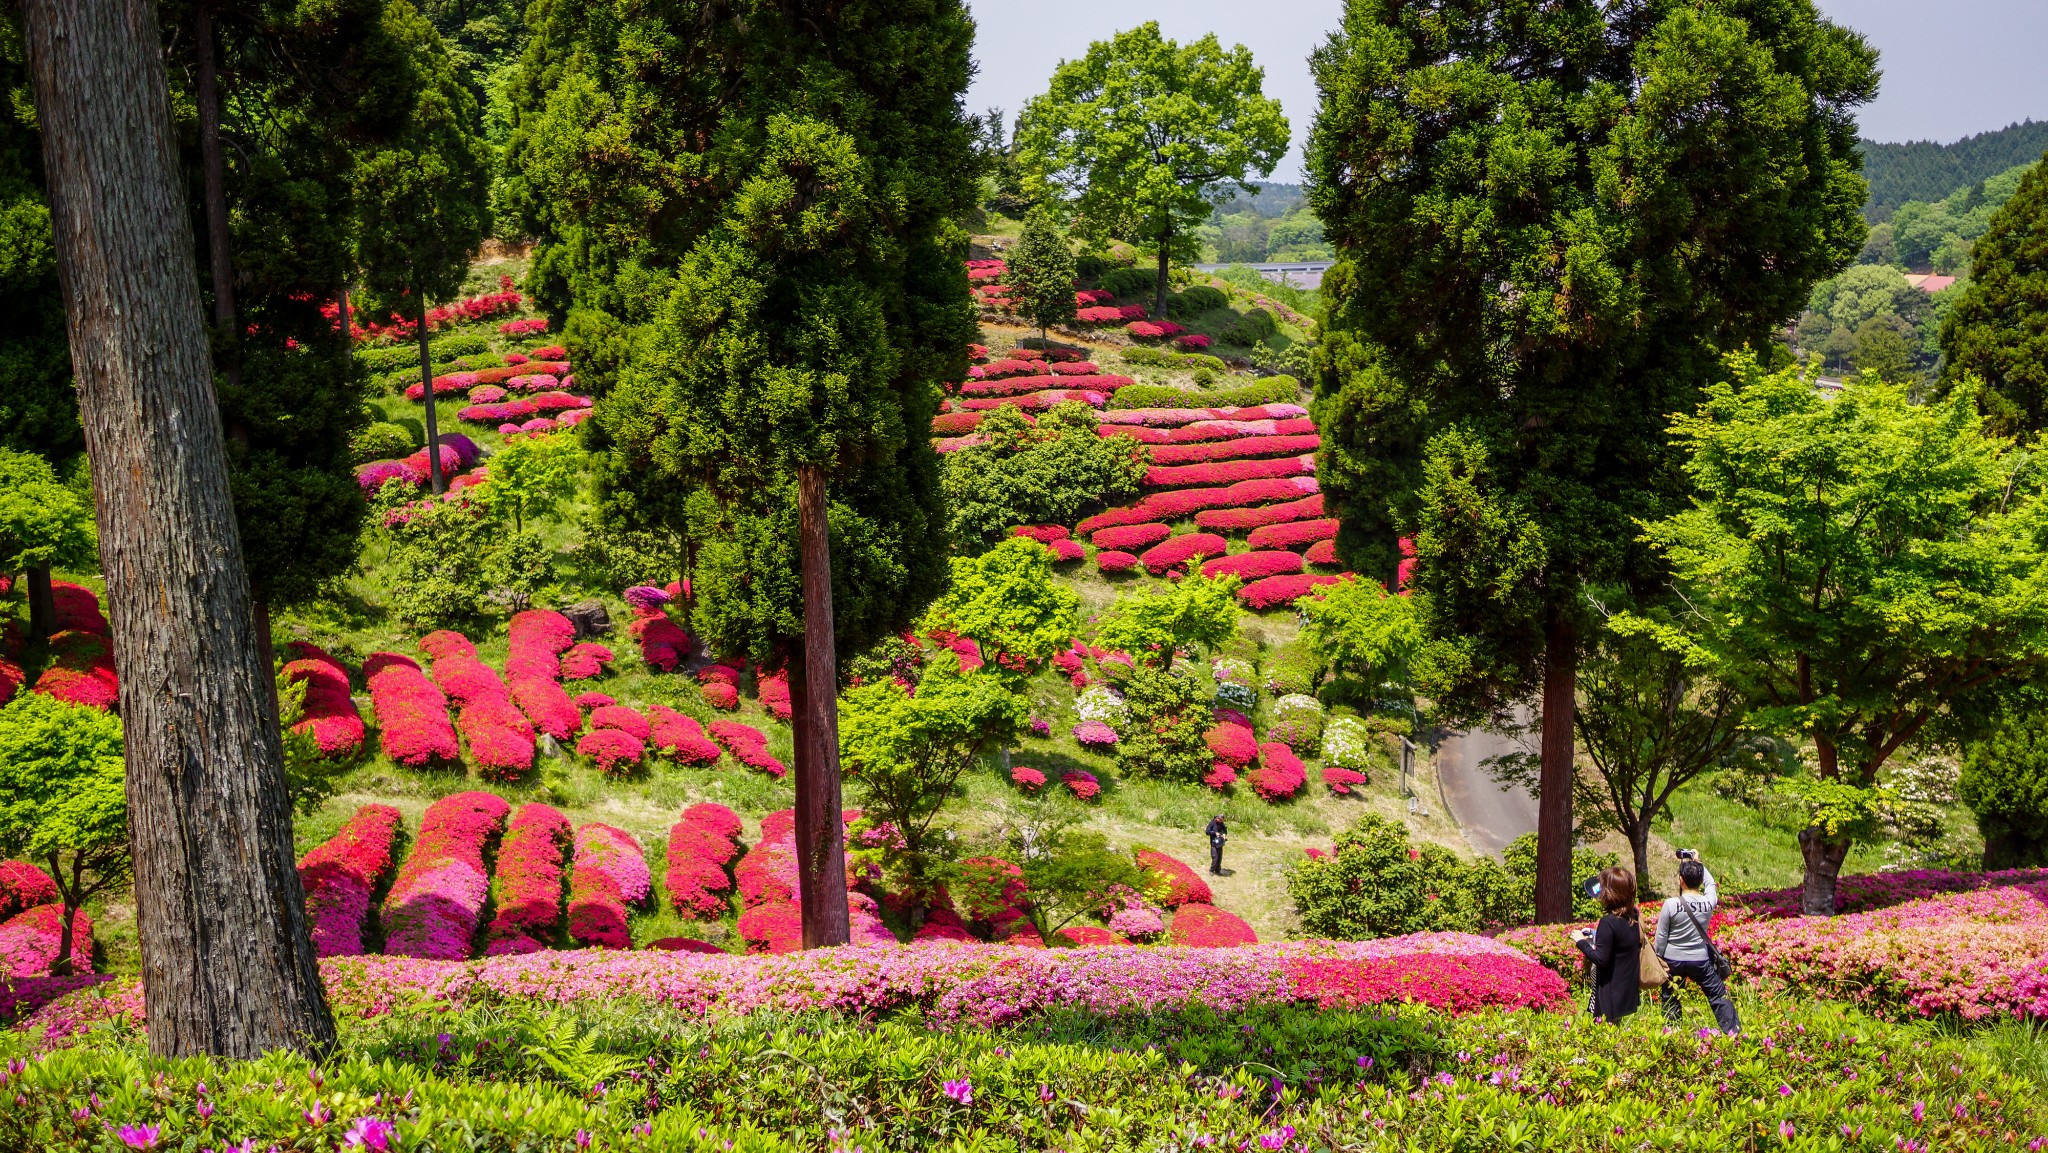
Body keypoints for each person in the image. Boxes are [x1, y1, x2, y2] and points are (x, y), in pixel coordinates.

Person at [1655, 851, 1741, 1034]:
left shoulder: (1670, 904)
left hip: (1672, 960)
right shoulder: (1708, 902)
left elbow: (1661, 936)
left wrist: (1659, 957)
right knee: (1718, 994)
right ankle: (1733, 1032)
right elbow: (1711, 883)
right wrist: (1698, 862)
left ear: (1681, 880)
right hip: (1700, 959)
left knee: (1671, 997)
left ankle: (1673, 1033)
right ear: (1700, 880)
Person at [1573, 865, 1642, 1024]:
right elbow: (1620, 944)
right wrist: (1595, 936)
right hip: (1625, 989)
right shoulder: (1632, 917)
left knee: (1605, 1034)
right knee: (1615, 1030)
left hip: (1610, 993)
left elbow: (1601, 959)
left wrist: (1581, 942)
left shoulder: (1608, 922)